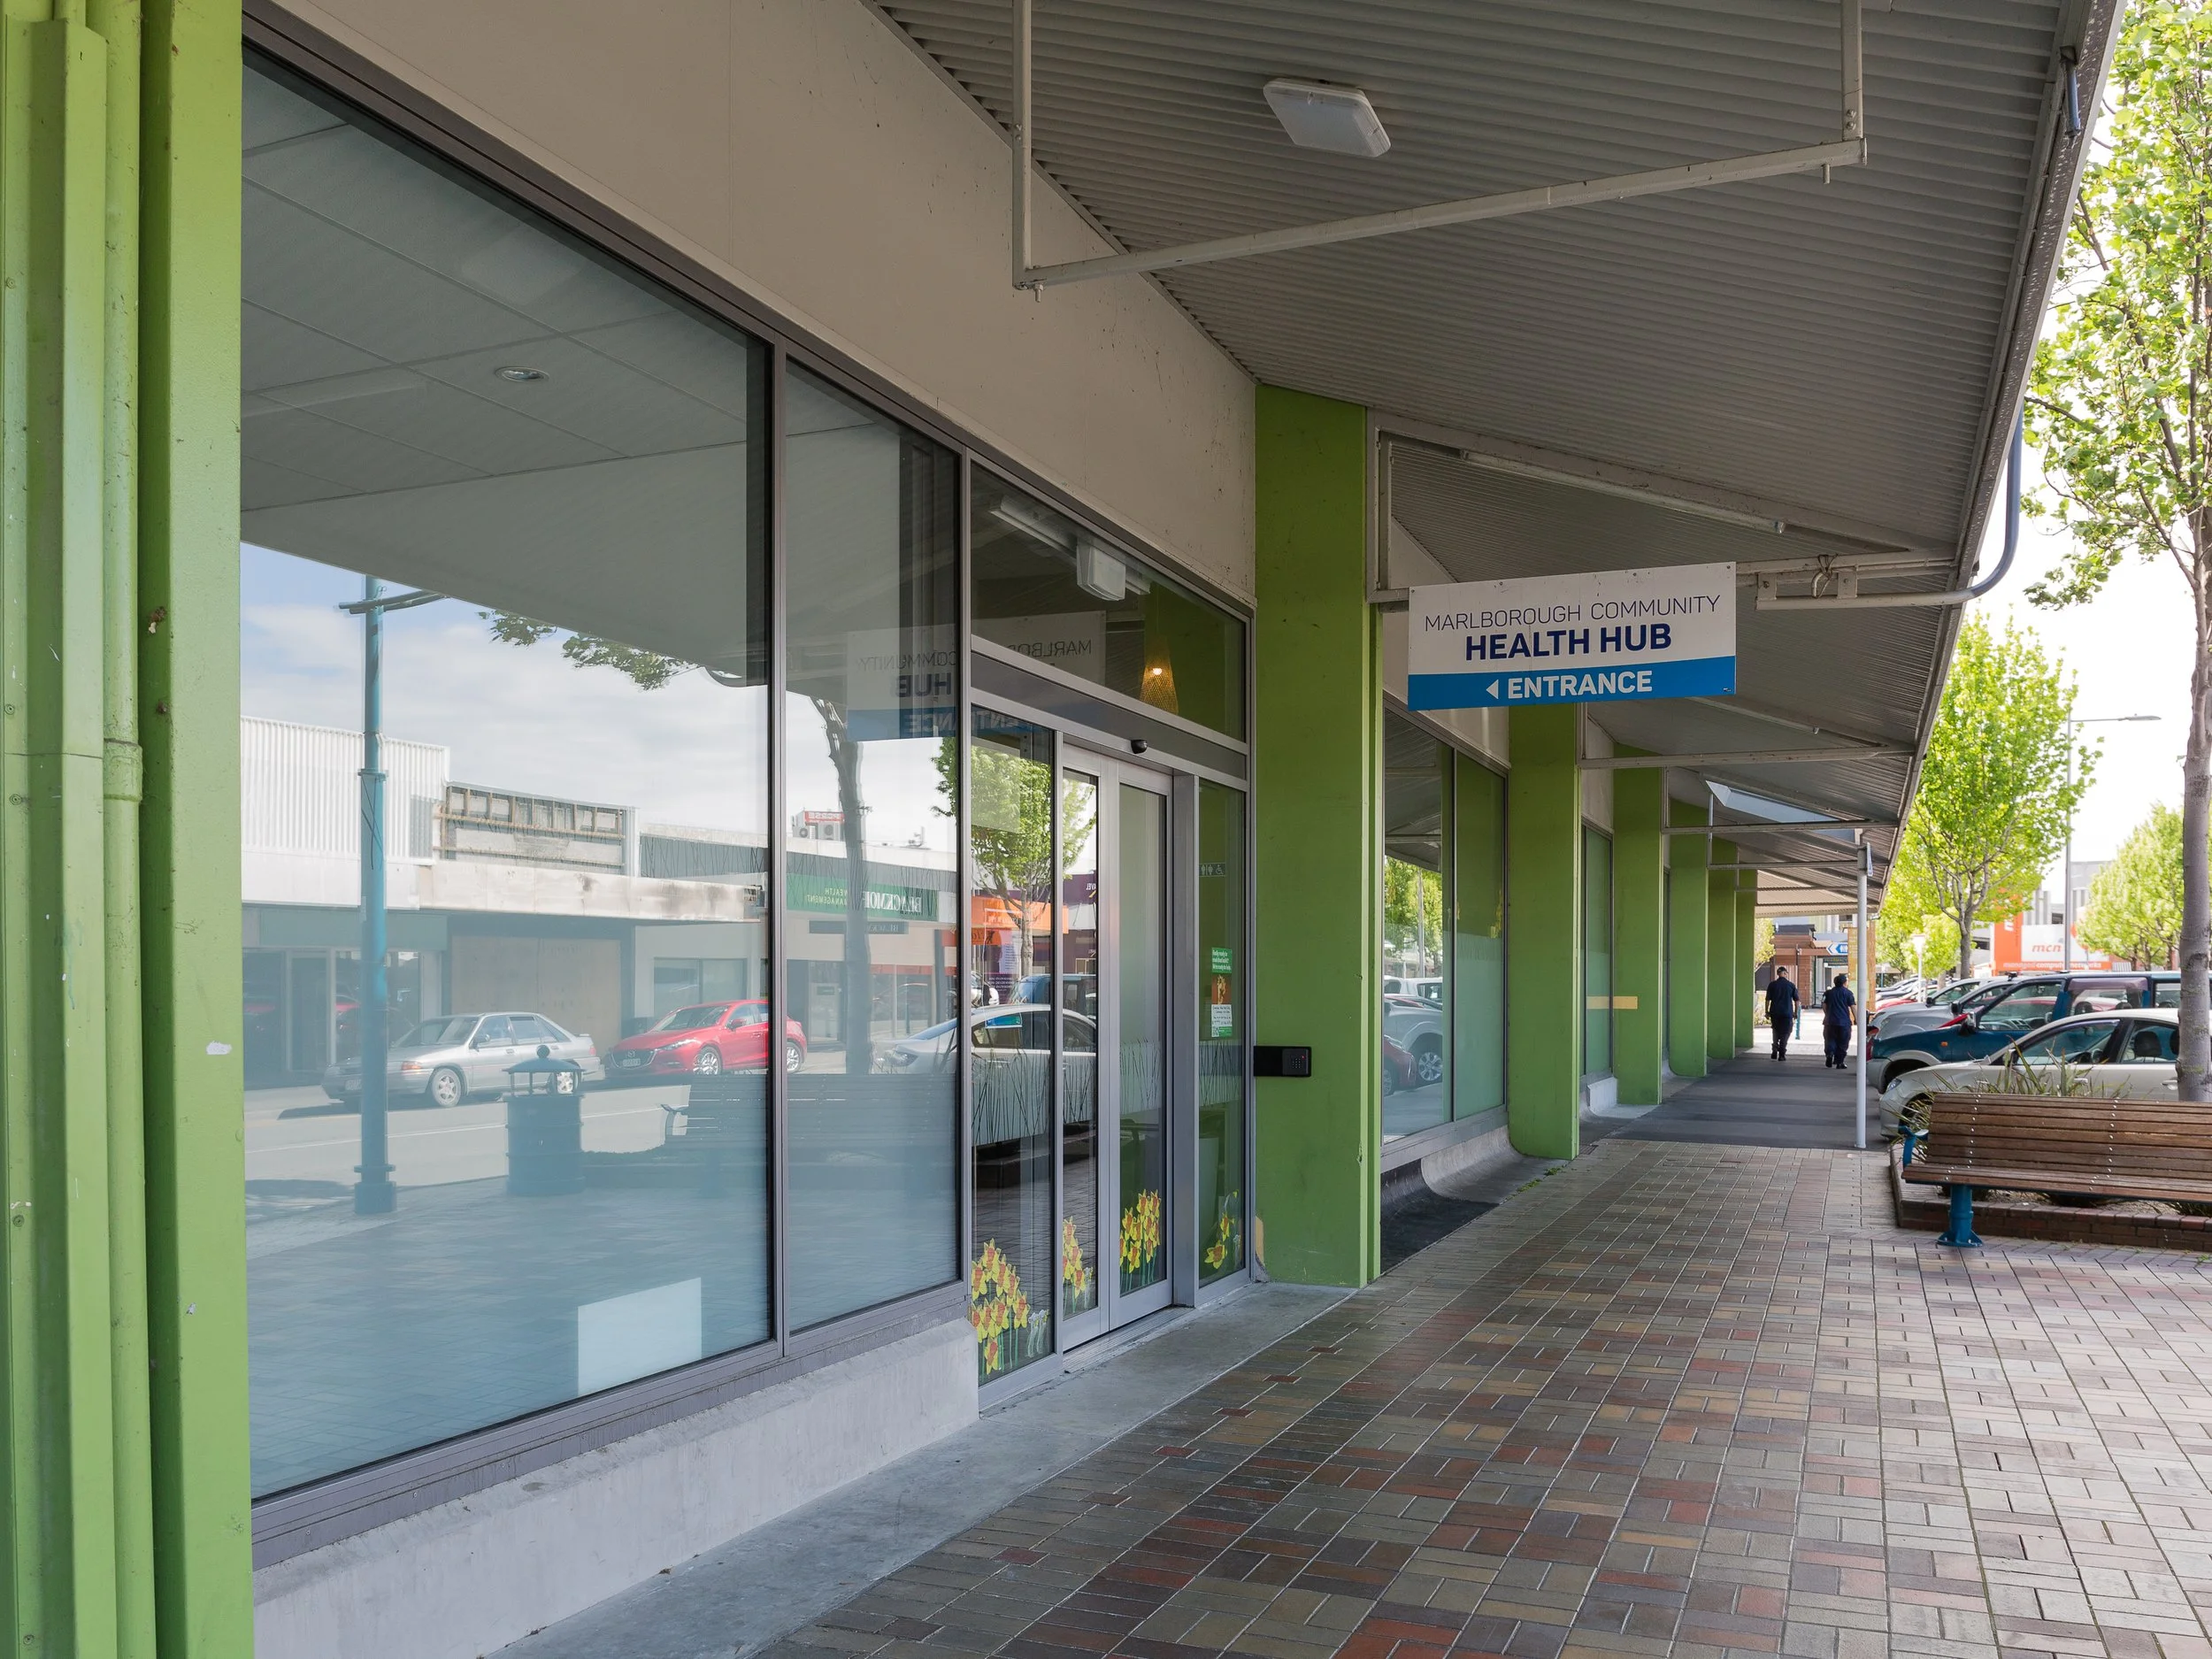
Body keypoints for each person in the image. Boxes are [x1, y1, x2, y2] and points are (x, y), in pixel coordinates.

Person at [1822, 972, 1856, 1069]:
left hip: (1830, 1021)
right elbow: (1853, 1007)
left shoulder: (1828, 993)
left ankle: (1829, 1054)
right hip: (1844, 1022)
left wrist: (1827, 1014)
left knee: (1830, 1039)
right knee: (1843, 1041)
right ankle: (1839, 1062)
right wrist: (1857, 1020)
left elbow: (1824, 1005)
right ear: (1844, 983)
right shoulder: (1848, 993)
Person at [1763, 969, 1799, 1061]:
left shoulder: (1772, 985)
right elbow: (1796, 1000)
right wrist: (1795, 1012)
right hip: (1787, 1013)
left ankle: (1774, 1049)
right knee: (1785, 1033)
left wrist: (1767, 1011)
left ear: (1778, 974)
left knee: (1775, 1030)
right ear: (1785, 973)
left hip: (1775, 1012)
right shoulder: (1791, 985)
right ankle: (1782, 1053)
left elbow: (1767, 999)